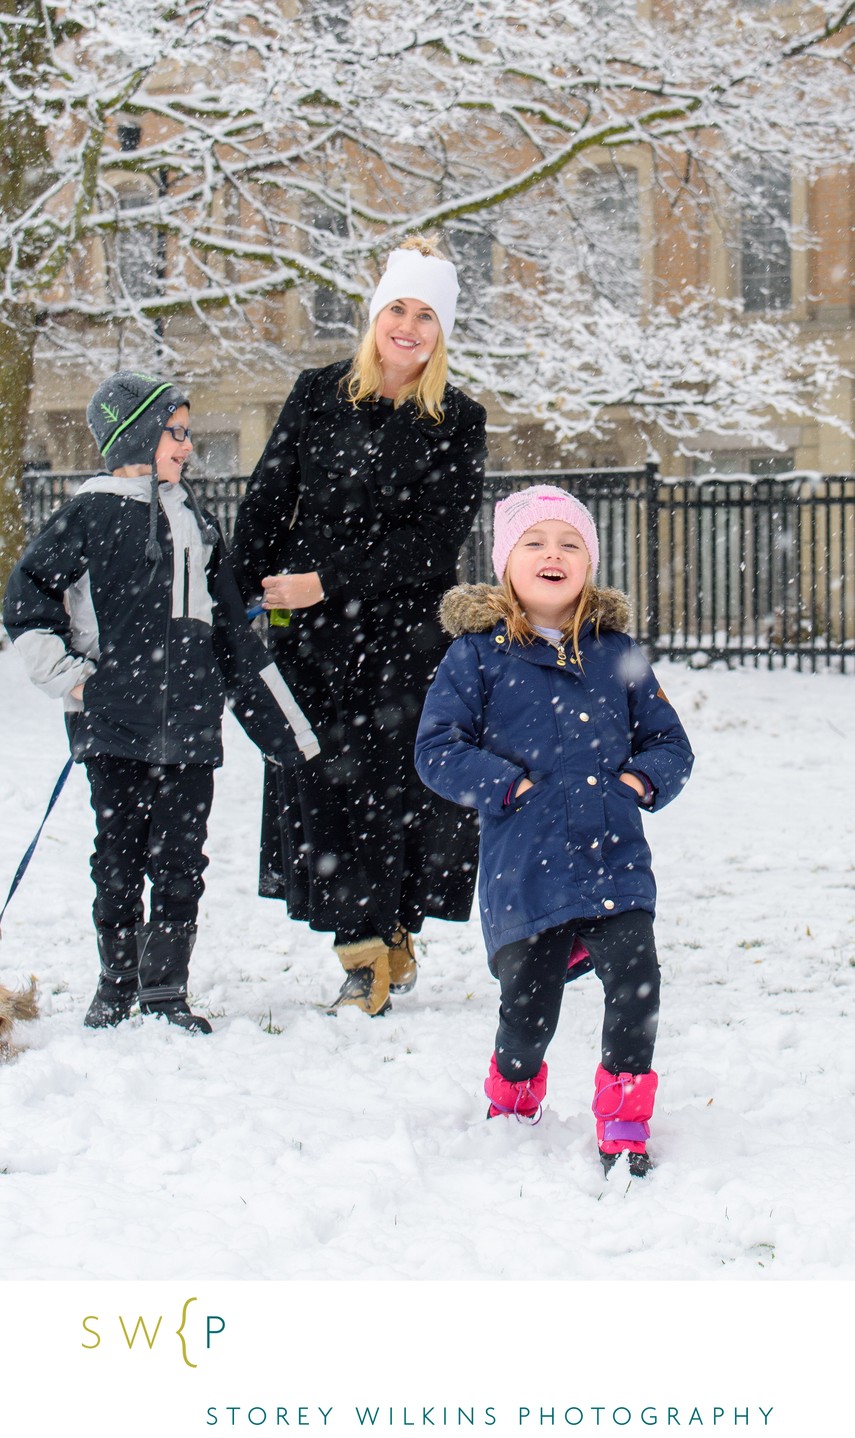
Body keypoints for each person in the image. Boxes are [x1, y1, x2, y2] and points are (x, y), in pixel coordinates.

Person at [4, 371, 319, 1034]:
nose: (187, 445)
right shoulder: (89, 512)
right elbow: (26, 601)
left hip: (191, 727)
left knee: (180, 861)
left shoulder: (197, 521)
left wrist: (282, 729)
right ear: (141, 434)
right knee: (116, 856)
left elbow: (232, 632)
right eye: (177, 432)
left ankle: (165, 988)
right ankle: (116, 983)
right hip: (113, 725)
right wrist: (74, 678)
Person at [230, 236, 486, 1017]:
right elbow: (269, 500)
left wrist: (326, 581)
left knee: (400, 792)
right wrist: (250, 598)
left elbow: (433, 542)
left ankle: (392, 930)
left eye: (424, 315)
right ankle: (362, 952)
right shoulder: (318, 393)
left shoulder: (457, 418)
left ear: (442, 330)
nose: (407, 327)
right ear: (375, 315)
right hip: (312, 637)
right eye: (395, 309)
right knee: (327, 790)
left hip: (407, 637)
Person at [415, 485, 694, 1175]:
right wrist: (506, 787)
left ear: (588, 563)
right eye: (534, 542)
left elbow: (669, 743)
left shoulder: (613, 653)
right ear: (506, 560)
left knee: (636, 979)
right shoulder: (475, 657)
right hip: (525, 861)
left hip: (612, 855)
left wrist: (636, 783)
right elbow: (436, 749)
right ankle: (512, 1093)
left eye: (569, 543)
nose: (552, 554)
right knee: (528, 1003)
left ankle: (624, 1120)